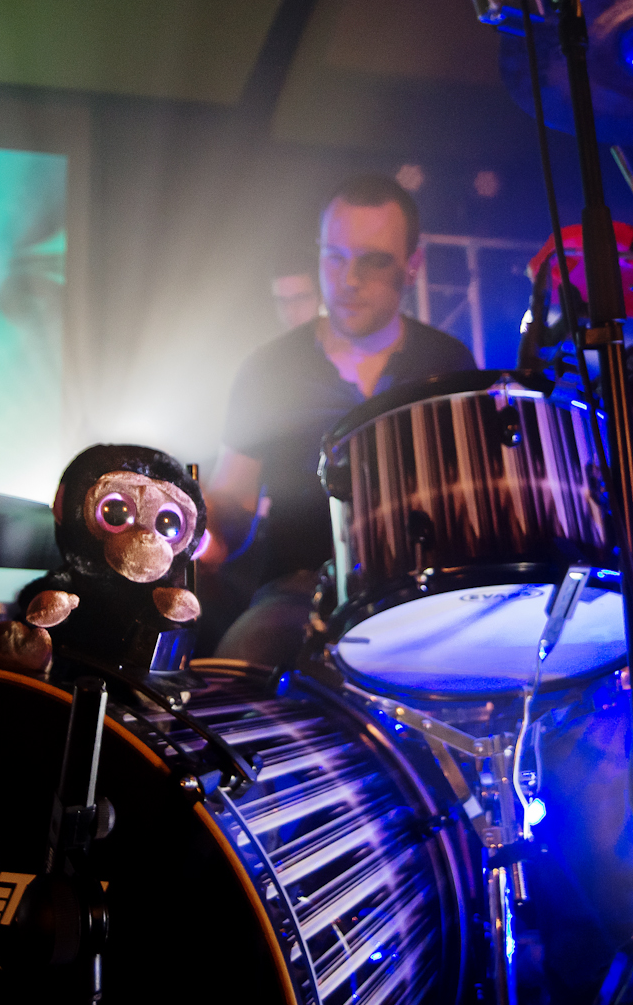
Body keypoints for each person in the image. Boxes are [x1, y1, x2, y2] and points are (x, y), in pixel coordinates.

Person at [201, 175, 476, 669]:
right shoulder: (268, 368)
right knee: (242, 670)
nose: (348, 280)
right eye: (334, 257)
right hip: (298, 594)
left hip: (424, 591)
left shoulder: (449, 364)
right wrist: (203, 526)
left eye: (374, 261)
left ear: (413, 265)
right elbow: (232, 501)